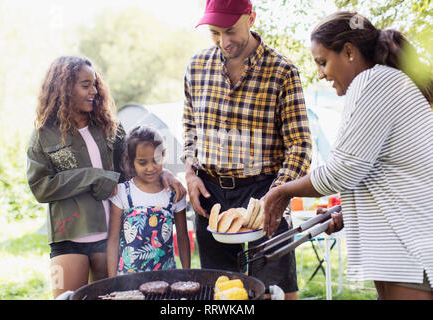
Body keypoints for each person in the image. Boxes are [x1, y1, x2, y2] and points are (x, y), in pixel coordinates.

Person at [263, 11, 433, 300]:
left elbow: (342, 170)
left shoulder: (372, 82)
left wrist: (284, 191)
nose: (321, 73)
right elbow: (383, 172)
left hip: (408, 247)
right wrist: (351, 212)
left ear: (350, 52)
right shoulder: (385, 81)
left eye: (323, 62)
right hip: (402, 245)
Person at [182, 0, 312, 299]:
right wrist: (190, 173)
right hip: (209, 193)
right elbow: (189, 128)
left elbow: (300, 145)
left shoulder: (283, 71)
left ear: (251, 18)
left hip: (265, 191)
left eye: (230, 31)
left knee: (274, 292)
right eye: (215, 32)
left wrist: (277, 194)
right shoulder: (196, 66)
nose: (224, 41)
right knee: (220, 292)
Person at [27, 56, 186, 298]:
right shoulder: (42, 135)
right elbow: (40, 187)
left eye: (95, 84)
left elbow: (136, 161)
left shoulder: (109, 125)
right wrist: (92, 177)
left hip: (113, 236)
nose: (93, 91)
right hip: (69, 236)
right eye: (85, 85)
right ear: (64, 87)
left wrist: (162, 172)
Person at [107, 126, 190, 276]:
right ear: (131, 161)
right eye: (143, 163)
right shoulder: (122, 193)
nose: (150, 168)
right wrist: (113, 280)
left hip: (167, 277)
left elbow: (183, 237)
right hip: (128, 279)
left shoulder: (175, 194)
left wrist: (187, 273)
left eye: (156, 160)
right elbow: (113, 241)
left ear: (163, 155)